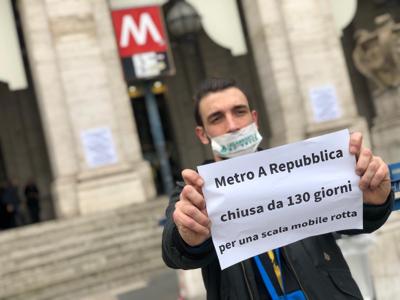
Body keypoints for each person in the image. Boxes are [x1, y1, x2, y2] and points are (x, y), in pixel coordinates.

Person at [162, 78, 393, 300]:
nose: (232, 126)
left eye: (239, 112)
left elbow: (356, 222)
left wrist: (373, 202)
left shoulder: (301, 169)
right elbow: (173, 250)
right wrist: (188, 237)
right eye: (216, 118)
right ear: (202, 134)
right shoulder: (193, 193)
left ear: (254, 119)